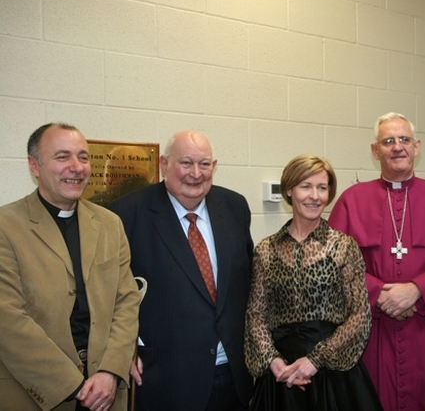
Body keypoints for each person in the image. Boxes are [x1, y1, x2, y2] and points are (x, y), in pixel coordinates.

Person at [328, 113, 425, 411]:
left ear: (417, 147)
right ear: (375, 150)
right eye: (388, 141)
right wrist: (379, 294)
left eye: (404, 139)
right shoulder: (351, 200)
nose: (397, 147)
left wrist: (417, 289)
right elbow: (336, 262)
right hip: (372, 330)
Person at [109, 130, 254, 410]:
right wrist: (121, 350)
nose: (196, 173)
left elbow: (246, 282)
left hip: (233, 374)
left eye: (204, 164)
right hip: (165, 376)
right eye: (186, 163)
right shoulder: (127, 214)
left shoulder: (235, 207)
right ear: (164, 164)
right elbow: (111, 294)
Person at [0, 123, 140, 411]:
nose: (77, 167)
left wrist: (111, 370)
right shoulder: (6, 226)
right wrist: (73, 385)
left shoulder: (109, 224)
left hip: (106, 391)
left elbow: (126, 301)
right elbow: (7, 318)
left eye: (84, 157)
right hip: (36, 391)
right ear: (34, 166)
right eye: (62, 157)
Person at [244, 154, 383, 411]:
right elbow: (256, 315)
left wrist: (315, 360)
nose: (315, 196)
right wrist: (273, 362)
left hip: (331, 374)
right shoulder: (266, 249)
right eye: (306, 186)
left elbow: (359, 315)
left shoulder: (343, 246)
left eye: (322, 188)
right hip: (280, 377)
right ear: (289, 190)